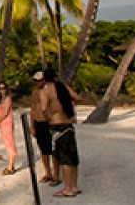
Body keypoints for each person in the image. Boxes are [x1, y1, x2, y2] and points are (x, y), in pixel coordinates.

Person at [40, 68, 83, 198]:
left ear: (44, 79)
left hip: (57, 126)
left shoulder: (45, 91)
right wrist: (70, 105)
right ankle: (74, 186)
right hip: (68, 125)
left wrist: (49, 117)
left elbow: (43, 108)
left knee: (64, 160)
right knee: (72, 158)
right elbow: (78, 98)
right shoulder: (64, 87)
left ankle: (68, 188)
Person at [30, 71, 59, 185]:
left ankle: (56, 174)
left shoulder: (50, 91)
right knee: (43, 150)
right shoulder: (34, 93)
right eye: (36, 81)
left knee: (53, 149)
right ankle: (48, 172)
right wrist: (32, 125)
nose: (38, 83)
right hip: (38, 122)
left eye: (40, 80)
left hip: (49, 122)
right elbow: (33, 108)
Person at [0, 82, 18, 175]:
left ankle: (10, 166)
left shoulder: (7, 99)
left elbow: (5, 112)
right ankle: (11, 165)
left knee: (10, 143)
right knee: (7, 143)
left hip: (6, 122)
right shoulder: (2, 99)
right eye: (0, 88)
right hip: (3, 124)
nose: (2, 90)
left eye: (3, 88)